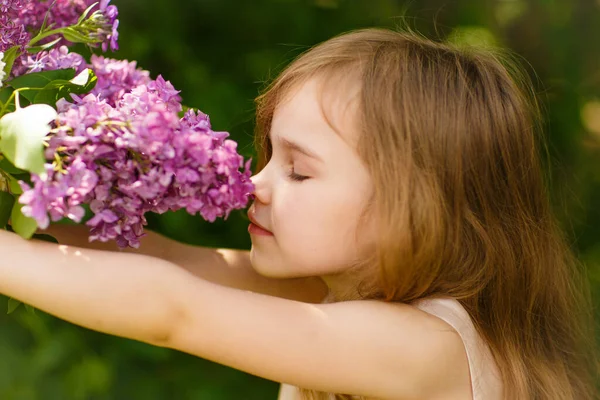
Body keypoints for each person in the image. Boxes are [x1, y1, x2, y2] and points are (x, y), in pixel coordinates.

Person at [0, 27, 597, 400]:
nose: (253, 185)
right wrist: (26, 195)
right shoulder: (333, 290)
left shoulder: (425, 346)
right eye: (266, 157)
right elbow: (170, 259)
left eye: (299, 171)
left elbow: (172, 308)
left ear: (415, 208)